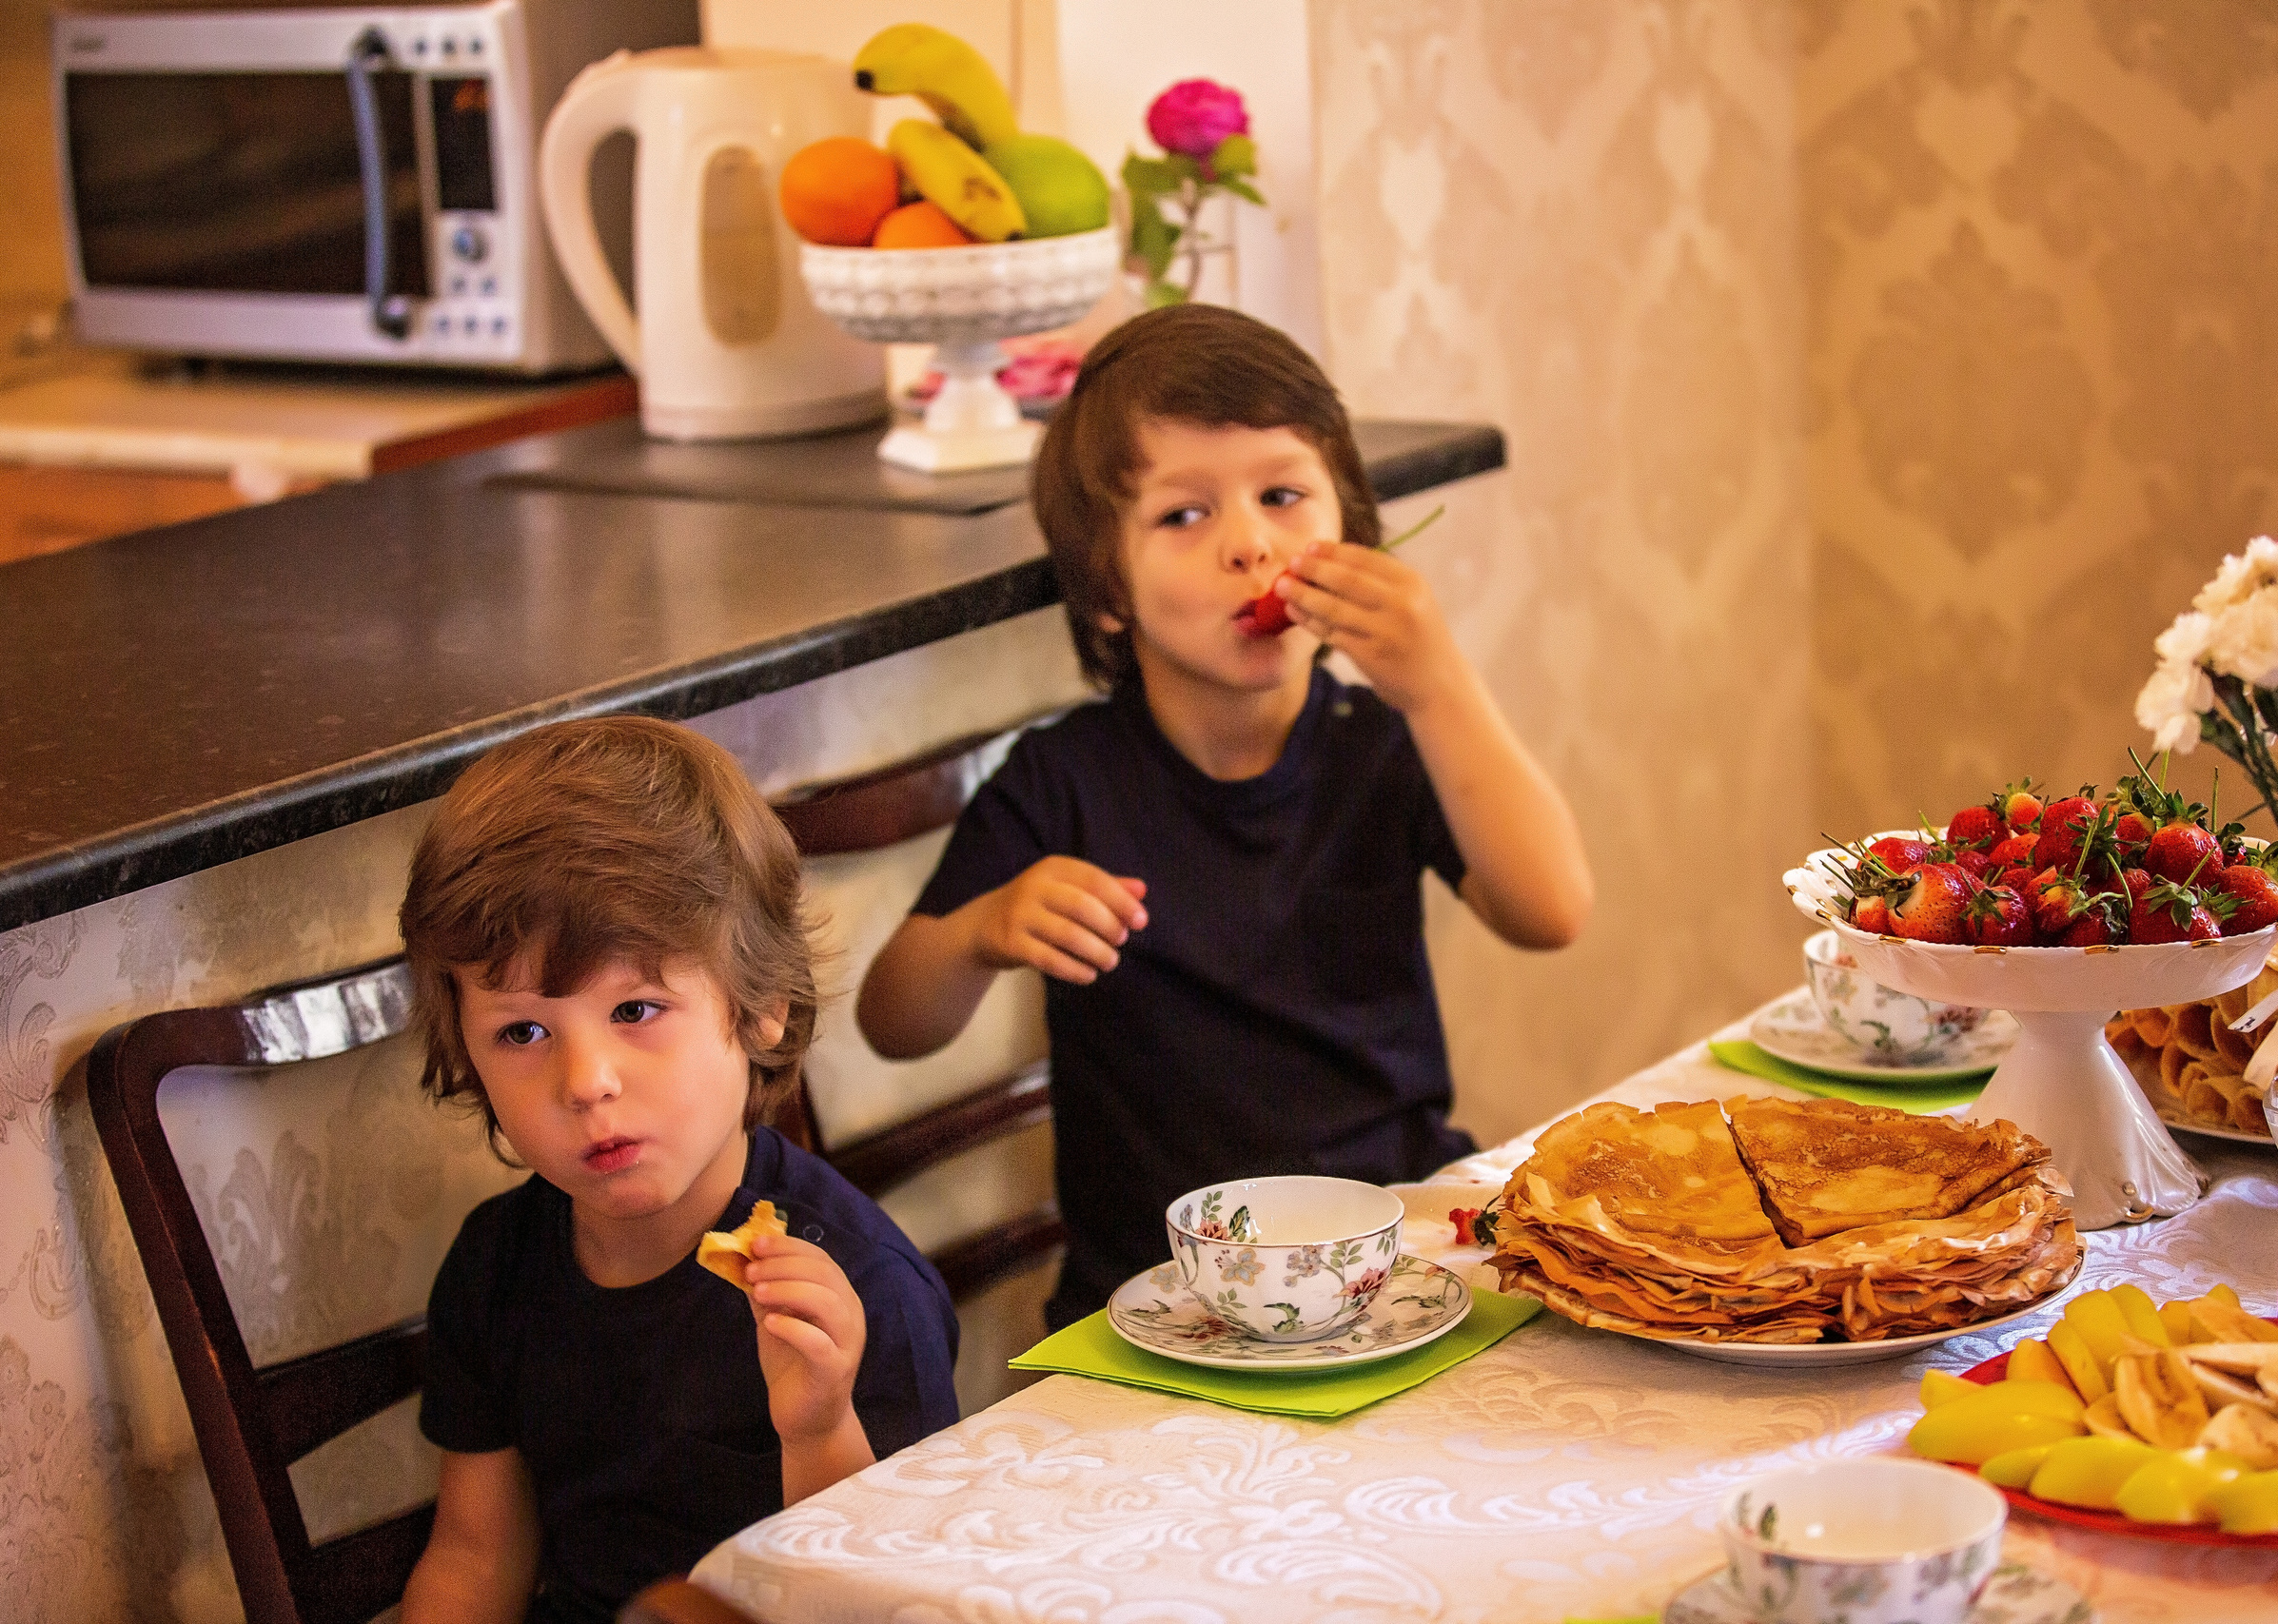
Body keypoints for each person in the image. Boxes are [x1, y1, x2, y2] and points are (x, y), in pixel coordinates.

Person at [855, 303, 1593, 1329]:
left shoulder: (1381, 742)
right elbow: (892, 1023)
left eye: (1282, 495)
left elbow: (1549, 909)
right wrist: (983, 932)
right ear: (1108, 588)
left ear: (1351, 530)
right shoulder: (1064, 780)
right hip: (1158, 1299)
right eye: (1184, 515)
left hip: (1393, 1261)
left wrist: (1438, 687)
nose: (1250, 545)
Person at [396, 716, 959, 1624]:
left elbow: (893, 1593)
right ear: (465, 1052)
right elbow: (476, 1554)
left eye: (637, 1007)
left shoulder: (858, 1292)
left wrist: (816, 1425)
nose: (587, 1083)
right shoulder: (494, 1266)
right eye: (524, 1031)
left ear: (762, 1005)